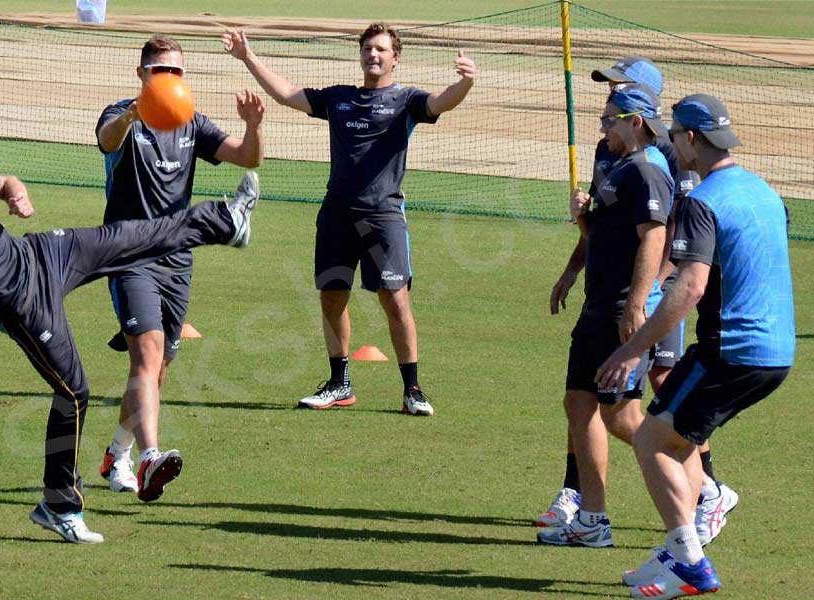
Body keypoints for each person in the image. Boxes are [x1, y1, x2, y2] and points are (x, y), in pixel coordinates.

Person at [0, 139, 259, 543]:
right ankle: (58, 506)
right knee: (73, 392)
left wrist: (16, 193)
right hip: (24, 306)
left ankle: (226, 221)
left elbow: (6, 182)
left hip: (39, 255)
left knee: (125, 238)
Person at [597, 93, 794, 599]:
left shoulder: (704, 200)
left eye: (675, 134)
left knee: (649, 440)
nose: (670, 141)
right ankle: (677, 550)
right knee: (676, 437)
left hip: (731, 349)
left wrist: (630, 349)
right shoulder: (762, 190)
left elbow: (689, 287)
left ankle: (689, 561)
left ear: (690, 139)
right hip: (776, 351)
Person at [223, 22, 475, 415]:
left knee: (395, 299)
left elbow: (442, 102)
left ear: (396, 57)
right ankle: (339, 384)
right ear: (361, 55)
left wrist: (466, 83)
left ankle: (413, 390)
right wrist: (248, 57)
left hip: (384, 217)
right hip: (336, 215)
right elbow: (288, 95)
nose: (373, 55)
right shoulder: (339, 99)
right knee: (332, 297)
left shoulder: (406, 100)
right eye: (368, 49)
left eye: (381, 49)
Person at [539, 57, 738, 548]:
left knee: (642, 401)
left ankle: (705, 486)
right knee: (581, 401)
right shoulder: (612, 155)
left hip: (643, 298)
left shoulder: (664, 159)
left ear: (639, 108)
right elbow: (608, 227)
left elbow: (666, 235)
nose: (603, 111)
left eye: (613, 99)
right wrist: (574, 263)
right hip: (604, 298)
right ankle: (585, 508)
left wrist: (644, 301)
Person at [95, 34, 264, 501]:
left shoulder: (190, 121)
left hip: (177, 259)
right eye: (159, 71)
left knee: (159, 367)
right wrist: (133, 111)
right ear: (142, 74)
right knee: (146, 359)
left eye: (176, 72)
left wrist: (253, 127)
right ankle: (151, 458)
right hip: (128, 253)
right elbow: (106, 140)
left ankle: (117, 455)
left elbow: (248, 157)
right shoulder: (121, 114)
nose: (168, 79)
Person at [536, 83, 671, 548]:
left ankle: (696, 481)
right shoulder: (617, 165)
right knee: (579, 404)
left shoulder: (649, 172)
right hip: (597, 305)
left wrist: (635, 306)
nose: (602, 126)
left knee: (621, 417)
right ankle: (593, 521)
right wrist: (579, 231)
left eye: (609, 118)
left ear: (636, 123)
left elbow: (654, 240)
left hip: (619, 309)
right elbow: (603, 235)